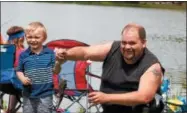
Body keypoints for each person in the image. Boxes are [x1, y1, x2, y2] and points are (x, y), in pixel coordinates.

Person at [55, 23, 165, 113]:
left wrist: (106, 98)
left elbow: (143, 97)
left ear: (143, 43)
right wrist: (65, 54)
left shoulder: (152, 67)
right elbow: (85, 52)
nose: (127, 47)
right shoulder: (113, 49)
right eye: (124, 42)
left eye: (132, 43)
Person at [16, 22, 61, 113]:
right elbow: (19, 70)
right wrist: (22, 78)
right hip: (28, 93)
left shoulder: (50, 53)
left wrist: (58, 63)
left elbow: (56, 71)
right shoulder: (23, 55)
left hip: (46, 93)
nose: (33, 40)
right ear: (25, 37)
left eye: (37, 37)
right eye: (30, 37)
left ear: (44, 38)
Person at [0, 26, 25, 113]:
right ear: (22, 38)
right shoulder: (24, 52)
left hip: (2, 85)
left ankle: (10, 110)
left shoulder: (3, 49)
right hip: (15, 86)